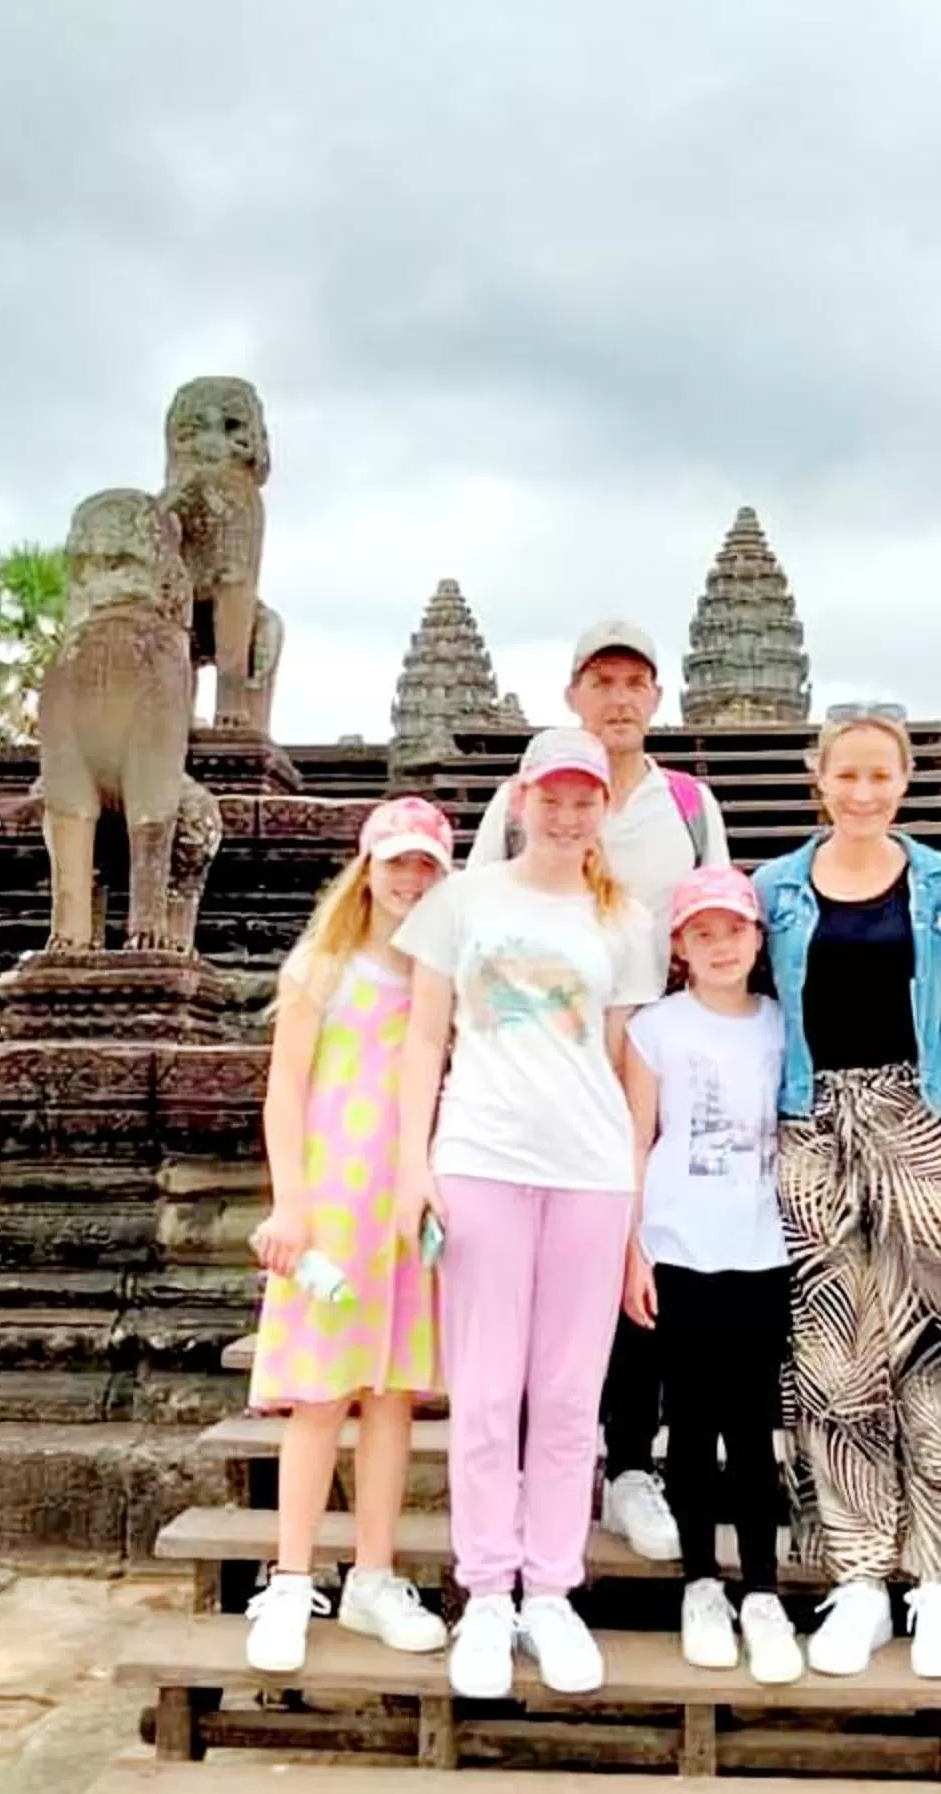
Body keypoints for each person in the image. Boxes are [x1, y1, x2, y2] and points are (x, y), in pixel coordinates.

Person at [398, 727, 665, 1700]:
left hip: (590, 1169)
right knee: (484, 1389)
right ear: (520, 799)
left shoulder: (626, 917)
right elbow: (425, 1035)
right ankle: (485, 1591)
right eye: (550, 795)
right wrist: (411, 1164)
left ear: (603, 806)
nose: (564, 812)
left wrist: (636, 1192)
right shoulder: (461, 900)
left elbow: (631, 1060)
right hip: (480, 1157)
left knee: (564, 1396)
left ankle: (551, 1588)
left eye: (583, 797)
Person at [470, 618, 728, 1567]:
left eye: (636, 683)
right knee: (545, 1265)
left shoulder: (690, 806)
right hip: (539, 1060)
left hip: (652, 1047)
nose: (619, 699)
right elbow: (477, 941)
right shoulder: (524, 802)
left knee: (639, 1256)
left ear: (657, 699)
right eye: (601, 681)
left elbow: (714, 919)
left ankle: (629, 1465)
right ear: (574, 694)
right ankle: (549, 1472)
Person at [749, 706, 941, 1681]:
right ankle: (857, 1575)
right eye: (845, 773)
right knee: (833, 1350)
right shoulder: (774, 889)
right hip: (808, 1121)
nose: (861, 791)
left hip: (919, 1113)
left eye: (878, 775)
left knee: (937, 1340)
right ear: (819, 776)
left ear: (904, 778)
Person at [240, 797, 460, 1675]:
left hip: (405, 1203)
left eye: (426, 867)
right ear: (366, 868)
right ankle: (292, 1575)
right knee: (319, 1396)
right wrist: (288, 1203)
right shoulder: (323, 962)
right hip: (330, 1199)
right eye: (396, 862)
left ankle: (373, 1574)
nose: (410, 880)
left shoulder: (441, 971)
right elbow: (283, 1091)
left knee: (392, 1395)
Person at [621, 863, 804, 1685]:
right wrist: (630, 1249)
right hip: (678, 1246)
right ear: (679, 948)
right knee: (689, 1422)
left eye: (735, 929)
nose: (721, 944)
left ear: (758, 940)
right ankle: (701, 1581)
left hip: (762, 1247)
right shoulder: (655, 1029)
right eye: (704, 932)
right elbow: (635, 1138)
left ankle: (761, 1590)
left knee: (753, 1423)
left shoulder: (779, 1023)